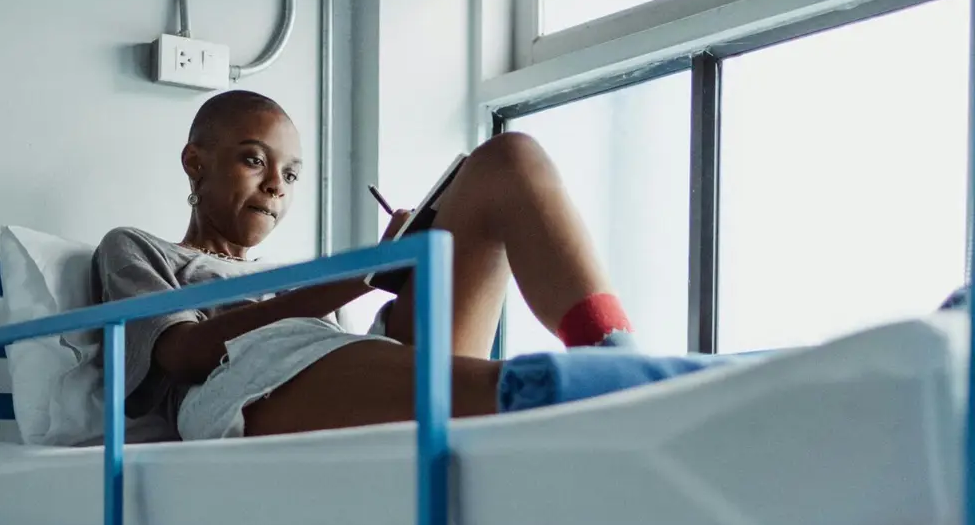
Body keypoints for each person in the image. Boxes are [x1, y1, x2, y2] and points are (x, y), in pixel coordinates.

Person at [90, 89, 653, 443]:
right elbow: (183, 356)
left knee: (507, 160)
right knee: (483, 387)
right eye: (255, 160)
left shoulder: (291, 283)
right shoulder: (138, 249)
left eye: (290, 175)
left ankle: (614, 358)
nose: (274, 186)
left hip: (333, 355)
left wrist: (389, 271)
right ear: (195, 162)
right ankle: (599, 395)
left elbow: (340, 356)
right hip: (237, 386)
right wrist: (343, 281)